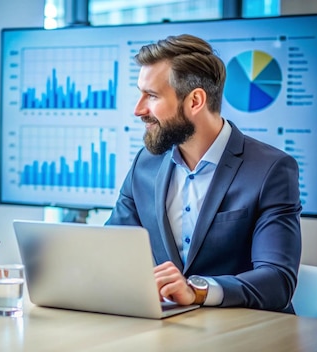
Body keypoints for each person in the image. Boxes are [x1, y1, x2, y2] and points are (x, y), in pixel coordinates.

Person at [106, 34, 302, 313]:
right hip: (170, 330)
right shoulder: (145, 164)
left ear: (195, 101)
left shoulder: (271, 170)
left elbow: (277, 281)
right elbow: (110, 250)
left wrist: (197, 290)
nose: (138, 110)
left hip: (248, 333)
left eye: (151, 95)